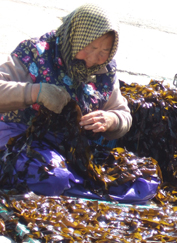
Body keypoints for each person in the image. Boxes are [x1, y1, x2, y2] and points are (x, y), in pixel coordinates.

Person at [0, 4, 159, 204]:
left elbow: (123, 114)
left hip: (74, 148)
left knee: (144, 181)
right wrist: (35, 92)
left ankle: (70, 182)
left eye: (104, 51)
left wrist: (110, 120)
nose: (94, 59)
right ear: (75, 37)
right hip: (20, 137)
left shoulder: (104, 70)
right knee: (50, 176)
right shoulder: (36, 52)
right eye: (90, 47)